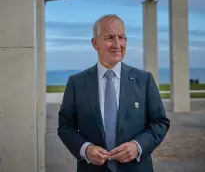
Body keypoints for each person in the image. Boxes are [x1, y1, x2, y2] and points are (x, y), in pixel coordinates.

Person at [58, 14, 170, 172]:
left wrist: (138, 146)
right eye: (110, 37)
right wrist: (85, 149)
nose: (117, 44)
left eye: (122, 37)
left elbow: (160, 123)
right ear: (95, 43)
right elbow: (65, 126)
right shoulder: (77, 83)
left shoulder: (144, 80)